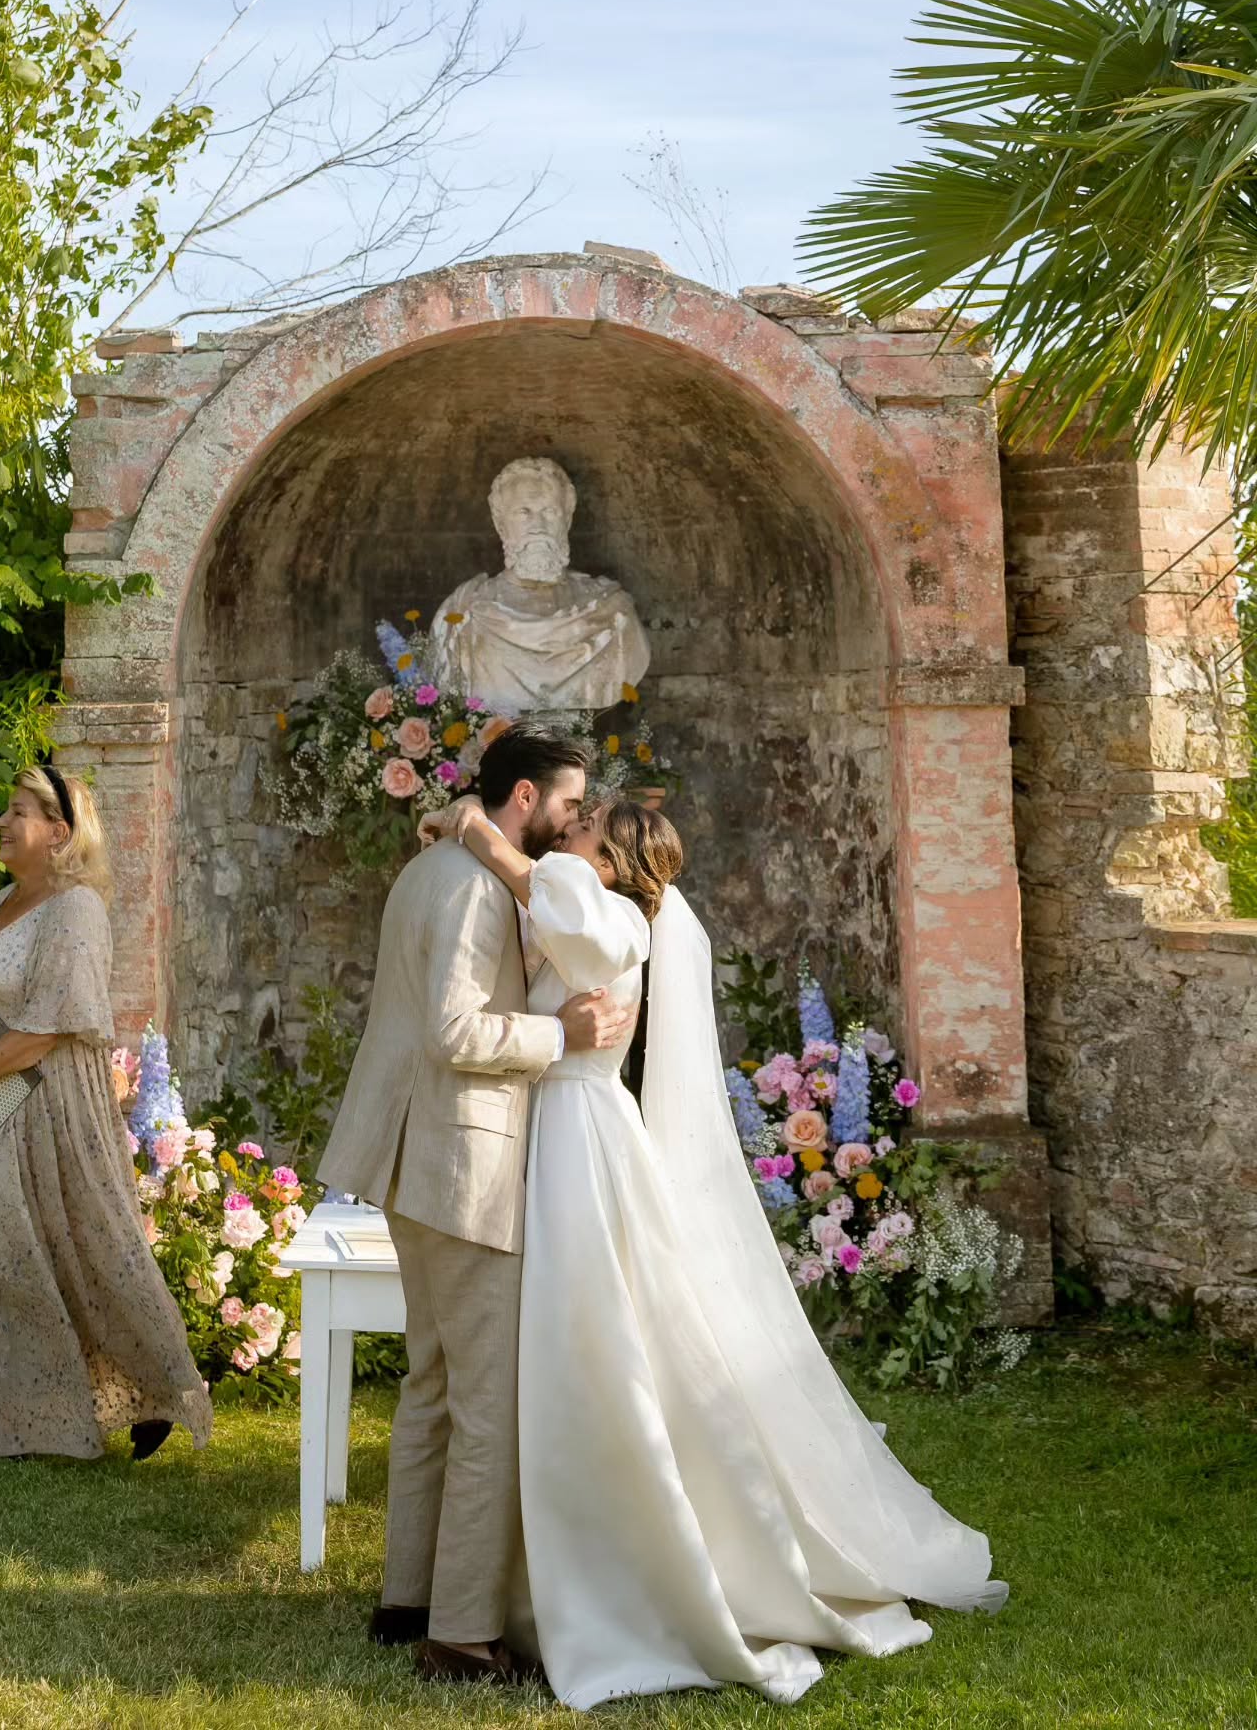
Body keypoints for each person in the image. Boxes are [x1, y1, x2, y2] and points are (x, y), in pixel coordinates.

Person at [420, 790, 1009, 1710]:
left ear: (613, 860)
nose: (565, 836)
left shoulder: (608, 915)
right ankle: (535, 1575)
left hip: (580, 1133)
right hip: (559, 1126)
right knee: (567, 1346)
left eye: (581, 831)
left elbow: (557, 900)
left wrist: (478, 831)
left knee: (594, 1339)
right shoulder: (593, 904)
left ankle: (625, 1577)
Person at [316, 725, 635, 1684]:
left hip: (420, 1161)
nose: (578, 821)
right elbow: (457, 1030)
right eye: (572, 805)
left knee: (433, 1389)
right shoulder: (468, 887)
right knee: (486, 1405)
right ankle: (458, 1634)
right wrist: (560, 1028)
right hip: (462, 1165)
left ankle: (406, 1595)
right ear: (526, 800)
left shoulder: (439, 868)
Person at [0, 764, 213, 1462]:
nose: (2, 821)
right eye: (6, 810)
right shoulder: (1, 903)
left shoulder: (76, 908)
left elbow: (50, 1028)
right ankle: (12, 1424)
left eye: (19, 812)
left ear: (60, 831)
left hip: (53, 1107)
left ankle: (165, 1388)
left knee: (95, 1249)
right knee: (10, 1263)